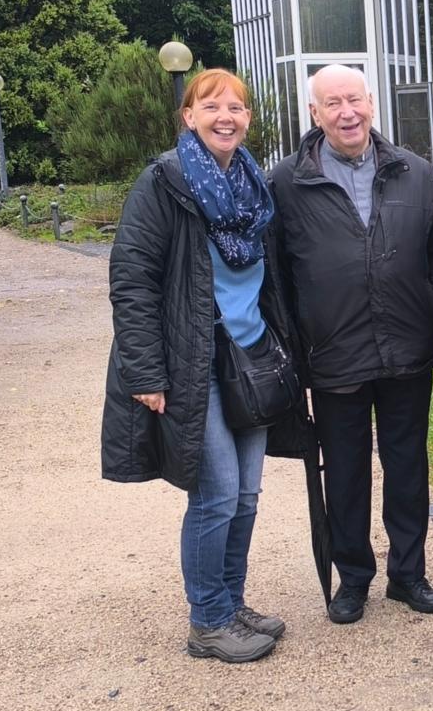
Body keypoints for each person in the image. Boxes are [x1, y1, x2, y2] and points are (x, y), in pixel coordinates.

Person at [102, 68, 306, 664]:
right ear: (188, 116)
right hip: (193, 362)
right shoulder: (163, 182)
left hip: (249, 357)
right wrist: (145, 374)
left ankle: (230, 602)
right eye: (212, 105)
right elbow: (132, 279)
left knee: (245, 493)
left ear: (247, 120)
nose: (227, 116)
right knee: (215, 494)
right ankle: (207, 621)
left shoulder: (252, 187)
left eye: (237, 107)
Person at [269, 64, 433, 625]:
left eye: (355, 99)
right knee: (343, 471)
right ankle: (353, 578)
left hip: (405, 349)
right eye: (333, 103)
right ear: (314, 114)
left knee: (406, 465)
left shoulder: (416, 173)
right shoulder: (286, 184)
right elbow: (277, 277)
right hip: (333, 354)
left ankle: (408, 574)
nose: (347, 112)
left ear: (371, 103)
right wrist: (294, 354)